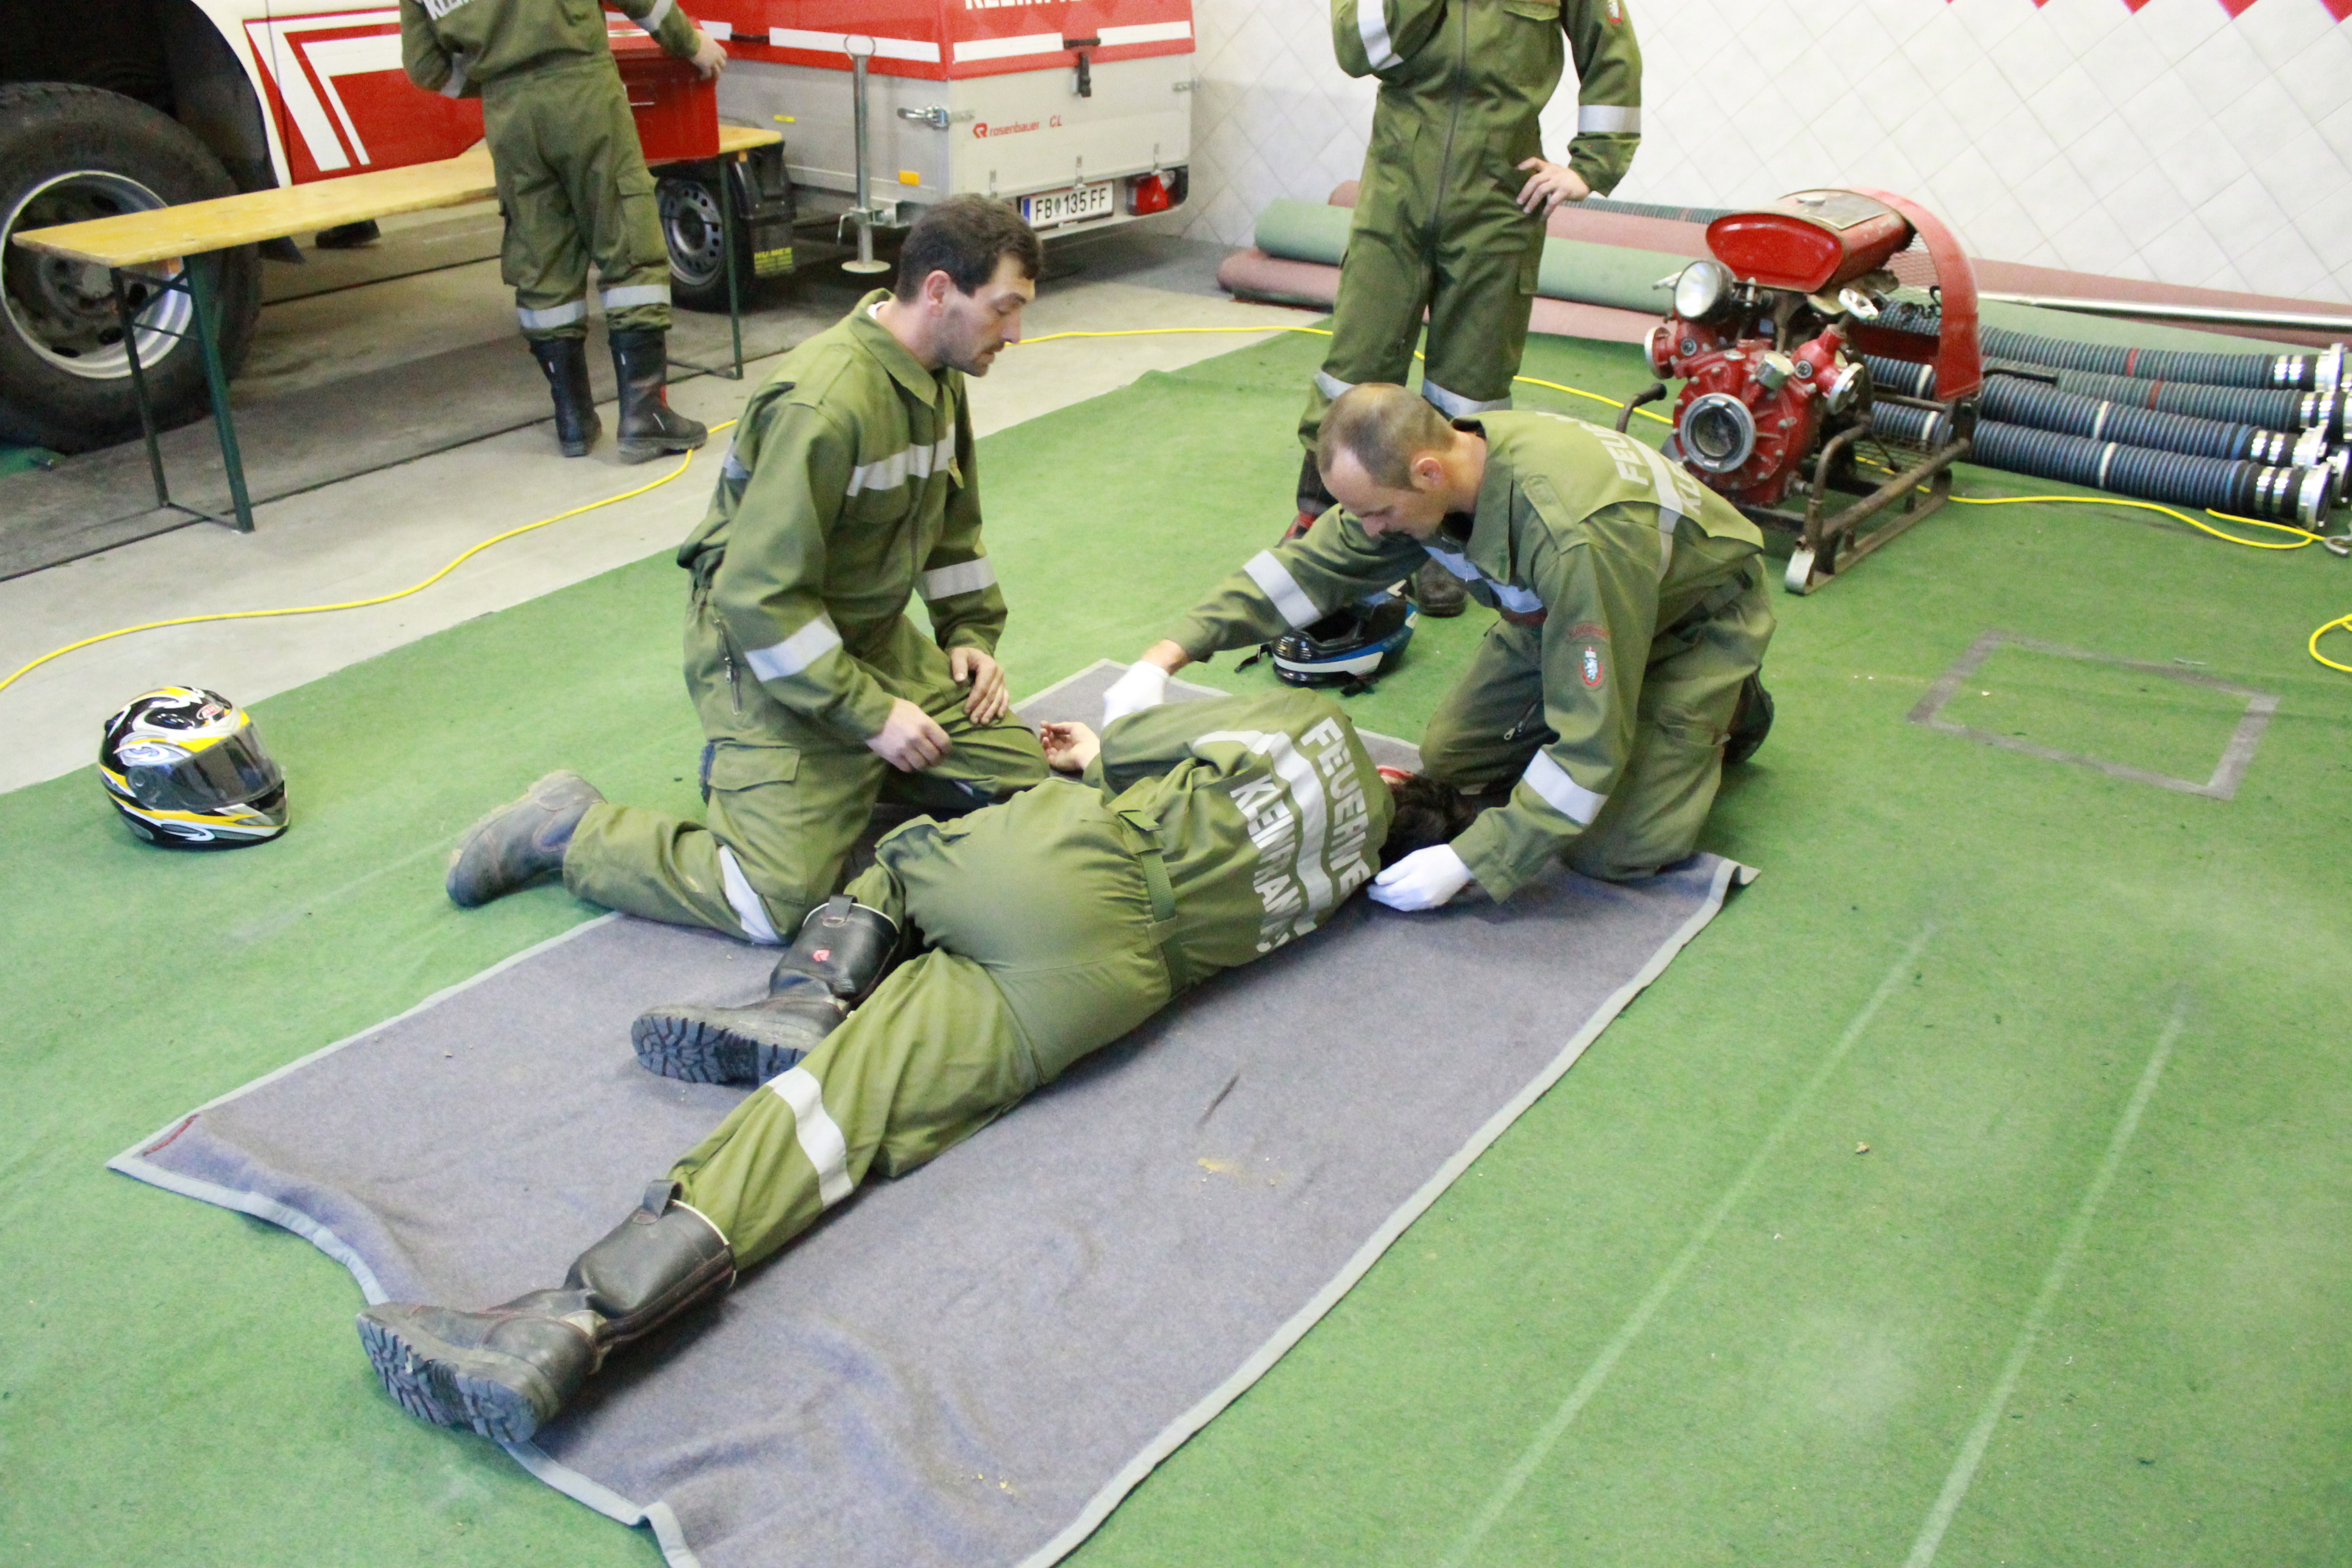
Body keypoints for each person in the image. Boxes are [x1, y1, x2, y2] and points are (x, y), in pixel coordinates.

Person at [357, 688, 1479, 1442]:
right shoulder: (1341, 891)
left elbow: (1125, 745)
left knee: (901, 852)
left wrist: (1075, 757)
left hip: (1076, 862)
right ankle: (570, 1326)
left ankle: (813, 992)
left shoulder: (1320, 728)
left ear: (1396, 773)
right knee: (833, 1122)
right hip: (1113, 986)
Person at [438, 198, 1054, 947]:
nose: (1016, 334)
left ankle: (812, 781)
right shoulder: (826, 404)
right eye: (1004, 309)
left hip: (864, 638)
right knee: (772, 903)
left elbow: (953, 530)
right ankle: (571, 828)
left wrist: (969, 636)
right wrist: (872, 715)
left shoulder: (936, 374)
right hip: (764, 650)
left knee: (1022, 779)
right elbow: (758, 597)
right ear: (937, 291)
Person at [1104, 383, 1774, 914]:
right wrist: (1164, 656)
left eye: (1379, 514)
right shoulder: (1435, 474)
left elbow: (1590, 745)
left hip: (1690, 625)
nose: (1370, 530)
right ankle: (1647, 715)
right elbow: (1304, 570)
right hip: (1557, 614)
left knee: (1613, 848)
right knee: (1454, 757)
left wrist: (1474, 858)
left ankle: (1729, 708)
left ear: (1428, 473)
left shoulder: (1571, 537)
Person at [1305, 0, 1644, 617]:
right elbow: (1357, 50)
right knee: (1355, 366)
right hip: (1397, 186)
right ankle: (1325, 522)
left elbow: (1612, 51)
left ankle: (1447, 545)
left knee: (1471, 384)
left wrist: (1591, 166)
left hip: (1499, 195)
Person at [400, 0, 726, 462]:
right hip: (582, 91)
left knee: (542, 255)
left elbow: (424, 66)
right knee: (627, 239)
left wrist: (497, 82)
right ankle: (644, 413)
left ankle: (573, 420)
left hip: (508, 114)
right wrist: (690, 44)